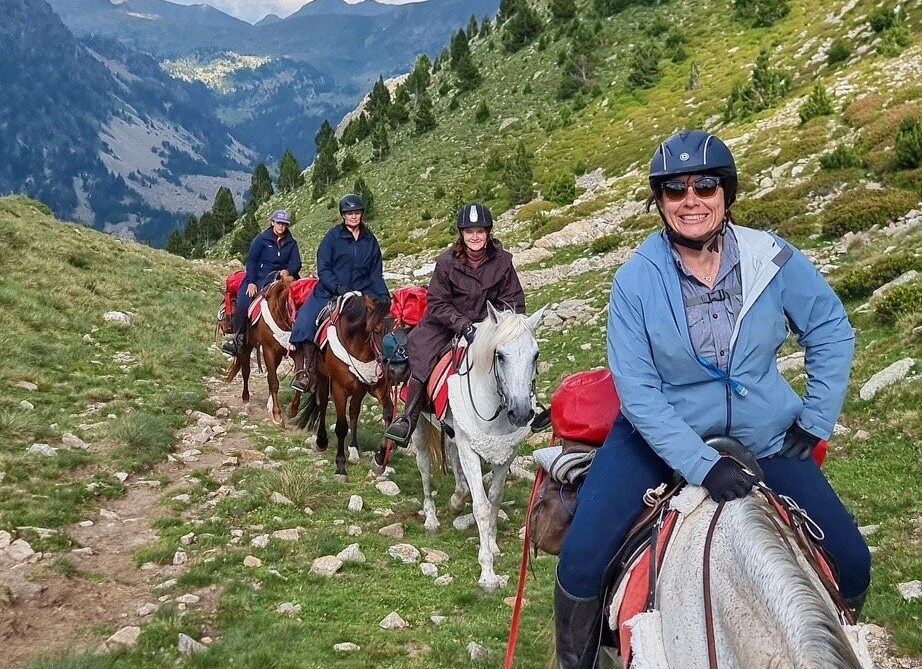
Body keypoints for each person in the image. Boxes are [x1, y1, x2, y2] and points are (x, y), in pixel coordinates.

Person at [553, 130, 871, 669]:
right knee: (581, 562)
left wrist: (815, 419)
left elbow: (831, 328)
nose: (691, 200)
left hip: (764, 436)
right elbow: (639, 392)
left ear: (726, 193)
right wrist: (703, 466)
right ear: (660, 202)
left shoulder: (771, 259)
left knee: (853, 561)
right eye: (675, 190)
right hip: (657, 438)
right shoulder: (636, 280)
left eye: (705, 185)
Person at [384, 202, 526, 445]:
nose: (475, 237)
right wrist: (462, 325)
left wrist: (501, 325)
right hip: (446, 322)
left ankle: (527, 405)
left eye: (480, 231)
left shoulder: (503, 262)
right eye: (469, 231)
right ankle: (409, 417)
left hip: (488, 324)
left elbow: (514, 300)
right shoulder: (446, 262)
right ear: (461, 234)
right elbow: (437, 303)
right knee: (420, 349)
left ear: (488, 233)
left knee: (519, 354)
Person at [289, 194, 390, 392]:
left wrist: (383, 294)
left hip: (363, 293)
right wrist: (337, 287)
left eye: (357, 212)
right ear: (343, 215)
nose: (353, 216)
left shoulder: (370, 240)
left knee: (386, 322)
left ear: (361, 214)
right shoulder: (332, 237)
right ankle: (306, 371)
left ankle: (383, 371)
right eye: (349, 213)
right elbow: (324, 267)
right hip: (331, 291)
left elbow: (375, 272)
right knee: (307, 320)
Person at [222, 209, 302, 357]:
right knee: (244, 302)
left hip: (282, 279)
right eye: (278, 223)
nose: (281, 226)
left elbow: (297, 263)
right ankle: (238, 338)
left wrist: (289, 271)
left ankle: (301, 336)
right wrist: (251, 282)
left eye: (284, 224)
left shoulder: (291, 243)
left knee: (300, 301)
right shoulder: (261, 239)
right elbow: (251, 261)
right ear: (272, 223)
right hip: (259, 278)